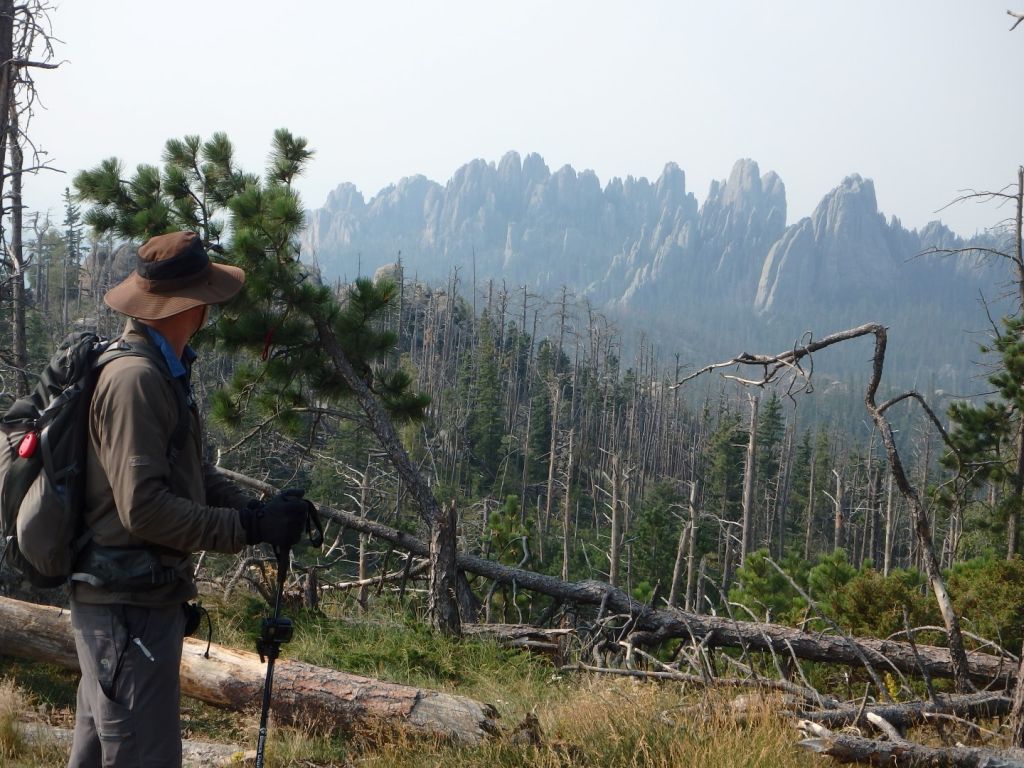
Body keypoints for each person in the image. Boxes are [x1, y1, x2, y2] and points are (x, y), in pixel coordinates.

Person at [66, 231, 309, 768]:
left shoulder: (162, 371)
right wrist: (246, 528)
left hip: (131, 609)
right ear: (191, 306)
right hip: (126, 612)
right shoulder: (136, 380)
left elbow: (190, 474)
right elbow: (144, 508)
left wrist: (258, 515)